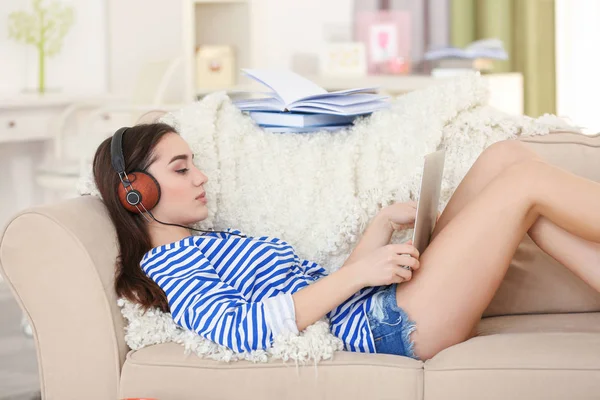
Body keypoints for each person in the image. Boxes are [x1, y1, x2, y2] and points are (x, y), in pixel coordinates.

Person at [92, 123, 600, 361]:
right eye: (181, 169)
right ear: (135, 192)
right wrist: (361, 272)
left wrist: (379, 227)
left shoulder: (215, 240)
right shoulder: (169, 264)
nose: (201, 177)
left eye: (194, 162)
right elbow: (241, 329)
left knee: (506, 159)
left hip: (380, 305)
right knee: (523, 186)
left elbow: (325, 294)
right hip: (393, 328)